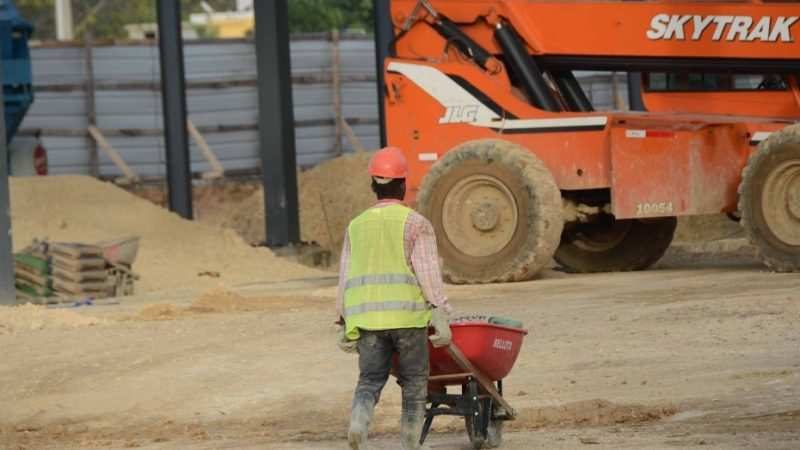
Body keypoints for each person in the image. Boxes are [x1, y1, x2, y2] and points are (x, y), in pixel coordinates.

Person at [336, 146, 454, 450]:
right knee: (414, 382)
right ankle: (410, 442)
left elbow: (345, 277)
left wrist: (342, 319)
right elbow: (428, 274)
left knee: (370, 380)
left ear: (373, 186)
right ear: (403, 184)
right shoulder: (415, 224)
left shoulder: (356, 225)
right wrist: (439, 312)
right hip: (408, 318)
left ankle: (358, 424)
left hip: (368, 321)